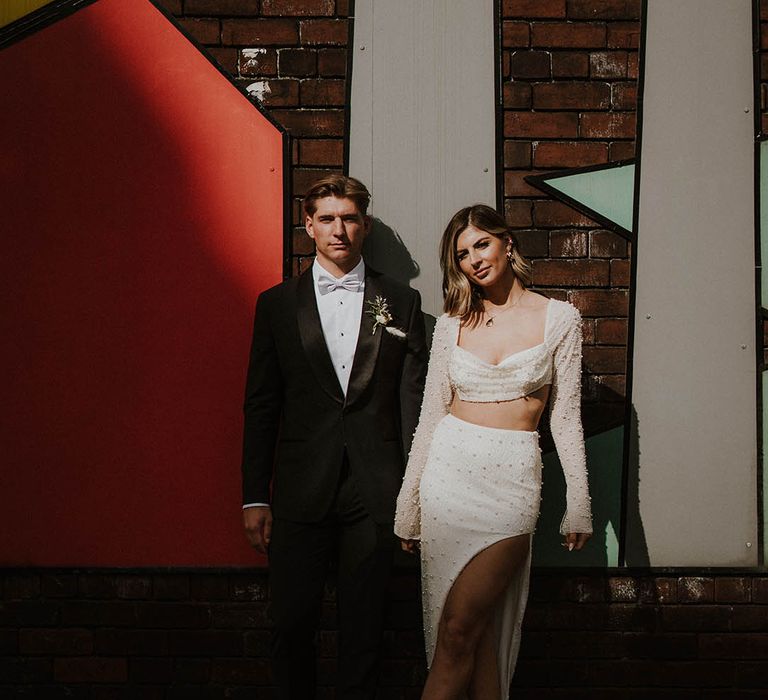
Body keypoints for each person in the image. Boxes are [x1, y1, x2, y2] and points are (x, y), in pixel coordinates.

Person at [241, 174, 428, 700]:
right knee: (291, 623)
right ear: (308, 225)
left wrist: (413, 493)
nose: (338, 229)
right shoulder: (276, 305)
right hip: (300, 491)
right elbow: (261, 404)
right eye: (327, 218)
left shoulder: (402, 302)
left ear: (364, 225)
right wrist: (255, 494)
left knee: (366, 631)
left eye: (348, 218)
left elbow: (411, 404)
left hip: (375, 490)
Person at [394, 204, 592, 699]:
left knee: (462, 628)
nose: (474, 260)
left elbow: (565, 418)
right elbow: (430, 417)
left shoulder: (559, 318)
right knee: (465, 635)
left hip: (511, 484)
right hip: (448, 476)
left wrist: (579, 503)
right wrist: (408, 504)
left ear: (507, 243)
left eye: (481, 244)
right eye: (462, 254)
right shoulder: (452, 323)